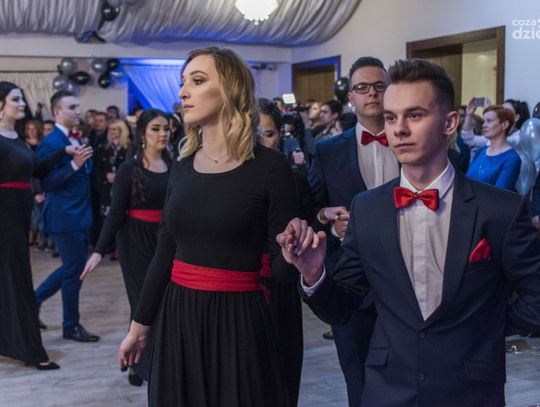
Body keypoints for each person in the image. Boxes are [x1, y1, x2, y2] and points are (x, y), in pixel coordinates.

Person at [278, 59, 540, 407]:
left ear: (449, 123)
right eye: (391, 117)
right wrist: (314, 274)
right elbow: (344, 308)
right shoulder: (367, 208)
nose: (398, 129)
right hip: (387, 388)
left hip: (471, 388)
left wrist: (485, 326)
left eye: (414, 115)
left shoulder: (500, 209)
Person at [119, 47, 297, 407]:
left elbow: (281, 270)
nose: (183, 91)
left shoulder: (271, 168)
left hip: (240, 320)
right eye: (183, 82)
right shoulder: (182, 167)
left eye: (197, 81)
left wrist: (299, 258)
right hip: (178, 316)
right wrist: (139, 325)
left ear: (230, 89)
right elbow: (165, 251)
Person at [308, 56, 399, 407]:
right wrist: (327, 220)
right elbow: (312, 209)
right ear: (350, 97)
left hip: (407, 275)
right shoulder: (327, 150)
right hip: (351, 279)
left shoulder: (412, 140)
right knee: (358, 379)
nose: (371, 93)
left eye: (379, 85)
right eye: (362, 87)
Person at [81, 109, 171, 386]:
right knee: (143, 302)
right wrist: (98, 250)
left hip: (166, 240)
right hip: (135, 241)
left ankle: (151, 361)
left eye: (166, 128)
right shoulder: (128, 169)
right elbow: (115, 214)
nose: (163, 133)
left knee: (163, 301)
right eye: (156, 128)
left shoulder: (176, 165)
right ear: (142, 133)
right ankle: (140, 364)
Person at [0, 81, 77, 370]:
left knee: (12, 279)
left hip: (18, 215)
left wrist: (64, 152)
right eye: (15, 99)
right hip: (4, 217)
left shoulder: (16, 138)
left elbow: (36, 170)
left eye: (21, 98)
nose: (22, 104)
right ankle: (32, 351)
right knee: (16, 280)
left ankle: (12, 341)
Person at [34, 90, 99, 343]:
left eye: (78, 106)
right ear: (57, 112)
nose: (78, 111)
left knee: (73, 268)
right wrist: (74, 165)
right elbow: (47, 183)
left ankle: (34, 301)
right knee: (74, 270)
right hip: (64, 215)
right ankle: (70, 325)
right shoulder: (50, 143)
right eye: (72, 107)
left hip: (79, 213)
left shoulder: (75, 137)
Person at [257, 97, 310, 407]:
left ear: (280, 136)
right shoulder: (227, 182)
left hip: (281, 285)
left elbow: (311, 220)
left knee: (283, 370)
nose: (262, 141)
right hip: (241, 287)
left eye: (268, 133)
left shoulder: (296, 180)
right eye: (255, 133)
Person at [465, 105, 521, 191]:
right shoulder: (481, 151)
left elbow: (499, 194)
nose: (484, 125)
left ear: (504, 125)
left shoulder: (512, 158)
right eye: (484, 121)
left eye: (489, 121)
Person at [96, 120, 130, 257]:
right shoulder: (103, 149)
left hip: (122, 189)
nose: (111, 132)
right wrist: (106, 176)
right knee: (107, 218)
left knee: (121, 217)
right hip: (107, 189)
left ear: (122, 131)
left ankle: (119, 247)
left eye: (115, 129)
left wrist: (119, 176)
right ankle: (108, 246)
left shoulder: (129, 149)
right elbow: (98, 170)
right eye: (110, 129)